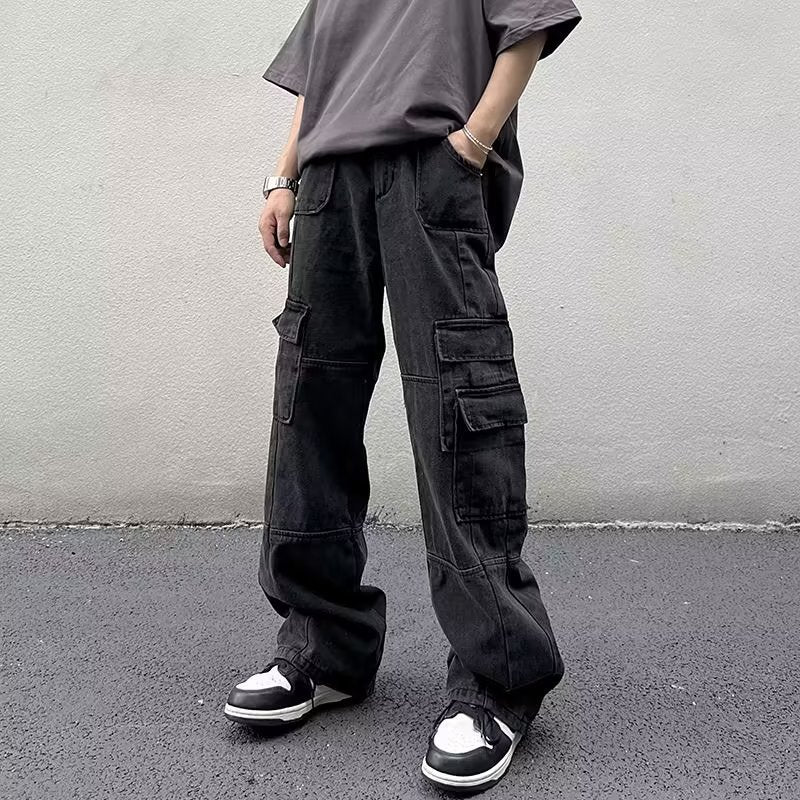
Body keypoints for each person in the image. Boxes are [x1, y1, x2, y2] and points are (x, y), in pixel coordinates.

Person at [224, 0, 582, 792]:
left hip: (432, 161)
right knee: (309, 406)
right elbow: (321, 70)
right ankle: (323, 648)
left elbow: (527, 28)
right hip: (329, 179)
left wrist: (472, 145)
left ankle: (496, 680)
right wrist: (285, 175)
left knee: (458, 404)